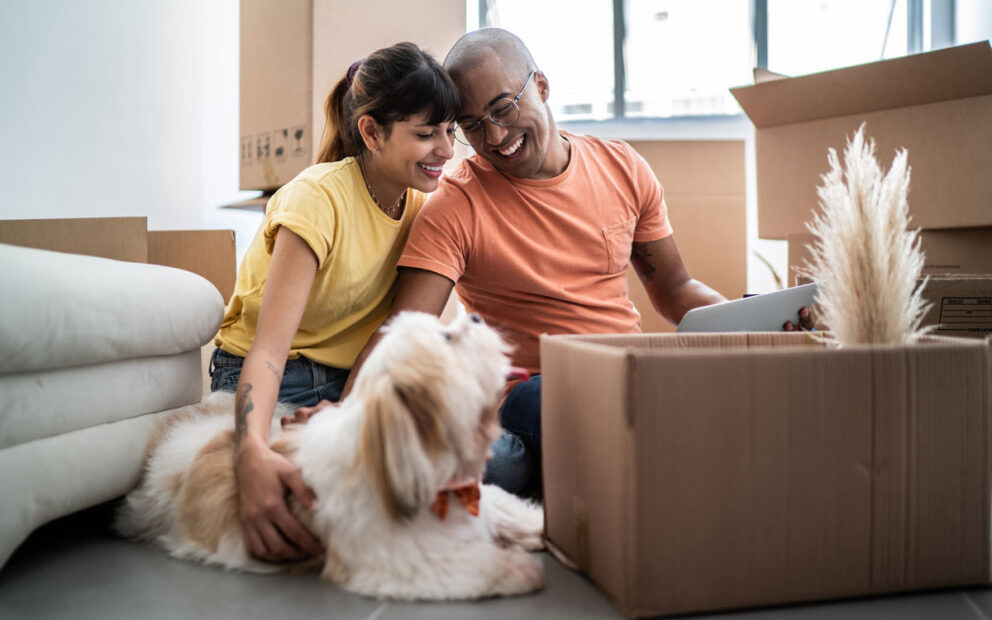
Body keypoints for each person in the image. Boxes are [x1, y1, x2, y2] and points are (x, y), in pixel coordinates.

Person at [327, 29, 813, 499]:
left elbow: (676, 290)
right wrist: (338, 427)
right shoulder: (456, 205)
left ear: (540, 85)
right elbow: (403, 331)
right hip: (530, 397)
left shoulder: (623, 167)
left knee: (730, 399)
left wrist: (753, 325)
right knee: (543, 405)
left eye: (502, 108)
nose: (495, 137)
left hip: (632, 379)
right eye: (472, 125)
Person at [208, 41, 459, 562]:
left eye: (450, 131)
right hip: (274, 372)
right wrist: (249, 452)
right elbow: (268, 352)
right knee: (312, 492)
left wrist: (348, 409)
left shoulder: (421, 205)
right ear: (371, 132)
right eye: (425, 134)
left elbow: (398, 333)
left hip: (348, 382)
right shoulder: (317, 199)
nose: (446, 150)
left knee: (434, 460)